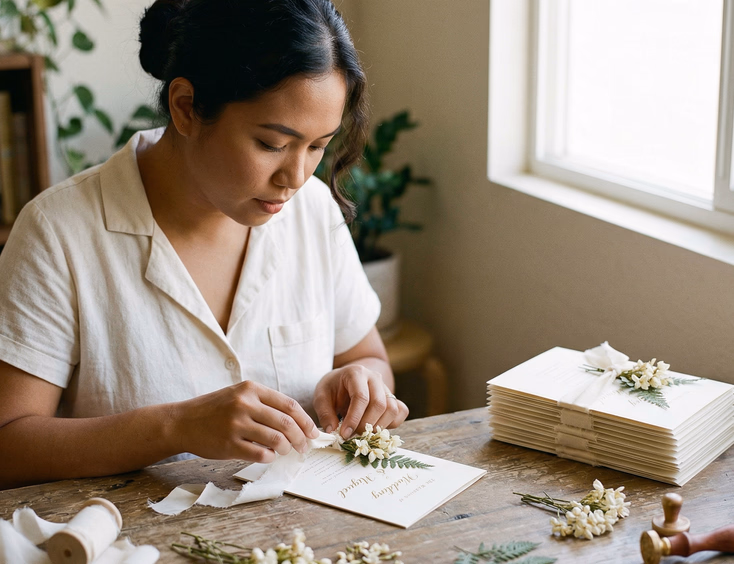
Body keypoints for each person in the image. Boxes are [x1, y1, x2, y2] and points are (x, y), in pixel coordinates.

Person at [0, 0, 408, 490]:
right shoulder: (58, 232)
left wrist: (363, 386)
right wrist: (176, 427)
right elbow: (9, 445)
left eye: (318, 146)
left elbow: (368, 357)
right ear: (186, 107)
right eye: (271, 144)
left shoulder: (313, 210)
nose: (295, 177)